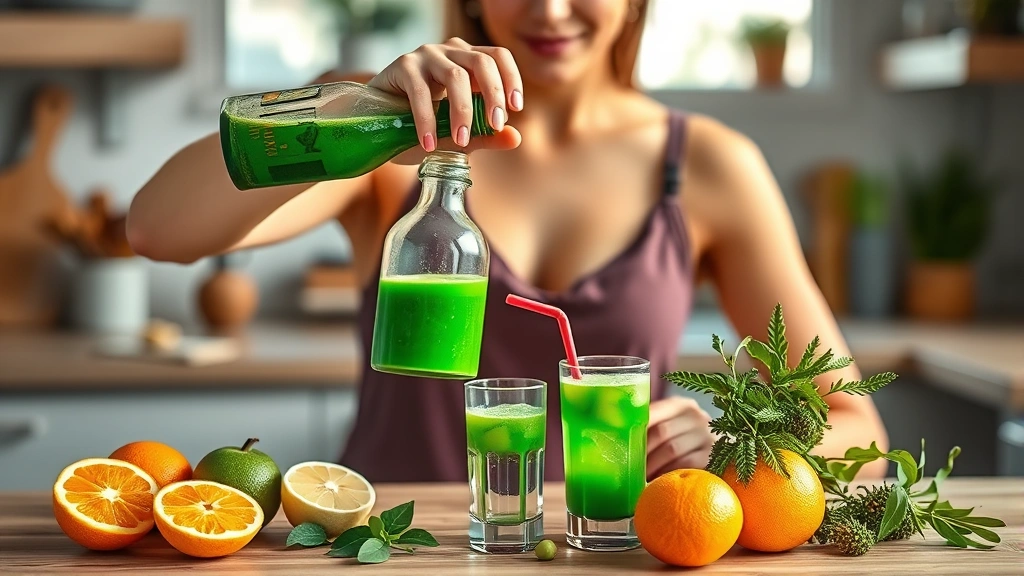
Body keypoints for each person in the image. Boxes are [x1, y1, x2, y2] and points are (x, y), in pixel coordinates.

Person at [127, 0, 888, 481]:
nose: (551, 11)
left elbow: (856, 427)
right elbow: (157, 229)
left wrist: (727, 445)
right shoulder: (387, 139)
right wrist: (360, 111)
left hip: (607, 556)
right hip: (391, 552)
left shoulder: (709, 166)